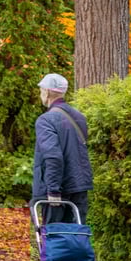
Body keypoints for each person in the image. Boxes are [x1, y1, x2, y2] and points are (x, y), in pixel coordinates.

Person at [31, 73, 93, 224]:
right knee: (76, 236)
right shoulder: (79, 117)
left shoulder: (45, 120)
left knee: (55, 237)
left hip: (59, 189)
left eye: (41, 91)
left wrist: (52, 190)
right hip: (79, 185)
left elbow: (53, 156)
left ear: (46, 92)